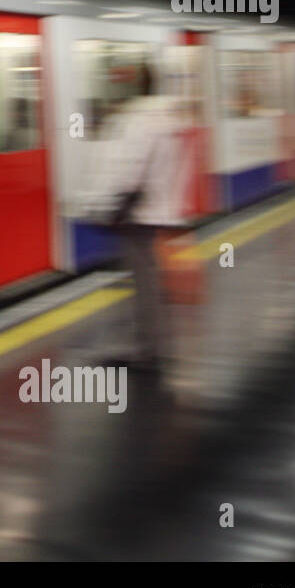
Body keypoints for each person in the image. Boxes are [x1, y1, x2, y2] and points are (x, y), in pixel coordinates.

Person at [88, 61, 193, 371]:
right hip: (154, 208)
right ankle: (149, 343)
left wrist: (114, 202)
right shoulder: (166, 117)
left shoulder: (140, 119)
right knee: (147, 276)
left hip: (137, 211)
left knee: (144, 279)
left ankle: (148, 350)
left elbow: (130, 165)